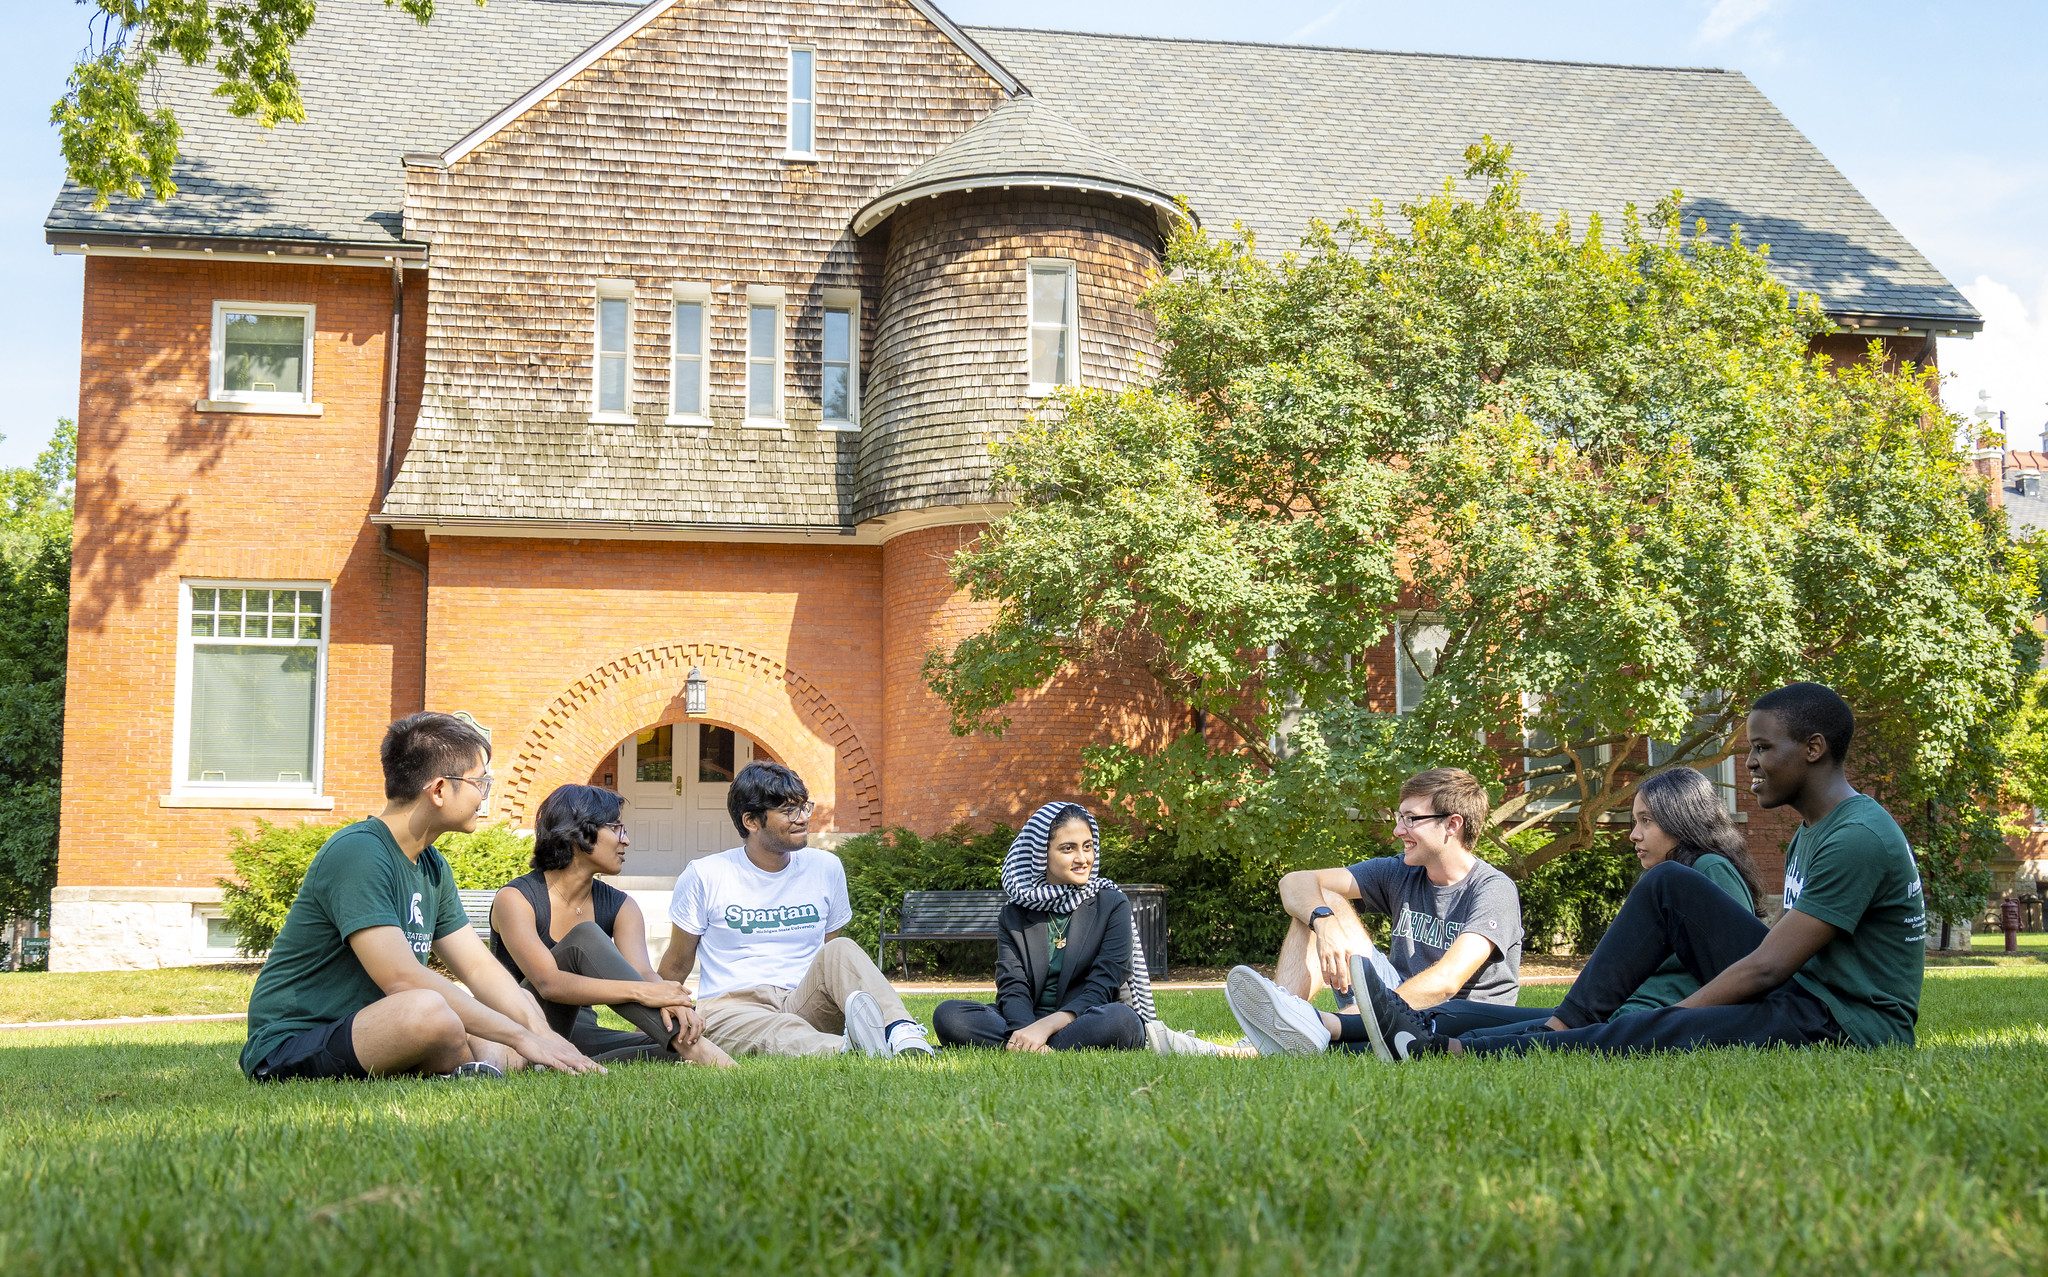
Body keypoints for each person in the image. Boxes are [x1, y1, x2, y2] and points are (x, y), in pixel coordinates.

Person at [1350, 682, 1927, 1061]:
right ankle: (1529, 1031)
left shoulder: (1856, 836)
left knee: (1653, 1030)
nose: (1748, 762)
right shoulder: (1814, 830)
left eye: (1762, 748)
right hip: (1805, 995)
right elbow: (1772, 956)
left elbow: (1769, 965)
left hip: (1846, 1026)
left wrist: (1678, 1013)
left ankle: (1444, 1050)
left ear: (1814, 749)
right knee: (1668, 886)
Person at [240, 712, 602, 1081]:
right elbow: (402, 978)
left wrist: (540, 1033)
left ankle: (475, 1069)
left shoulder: (432, 865)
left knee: (518, 1003)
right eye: (481, 782)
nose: (483, 795)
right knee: (429, 1010)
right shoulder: (359, 852)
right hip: (295, 1043)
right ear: (441, 789)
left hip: (378, 1027)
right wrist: (521, 1038)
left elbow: (478, 967)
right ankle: (469, 1062)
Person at [1457, 765, 1765, 1046]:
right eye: (1635, 821)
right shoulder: (1669, 880)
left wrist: (1671, 1018)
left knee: (1479, 1041)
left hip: (1637, 1021)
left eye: (1647, 821)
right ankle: (1421, 1023)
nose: (1634, 834)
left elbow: (1737, 967)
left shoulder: (1710, 868)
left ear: (1682, 820)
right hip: (1617, 1012)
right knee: (1456, 1018)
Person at [1224, 767, 1523, 1056]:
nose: (1397, 830)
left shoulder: (1493, 889)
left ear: (1452, 824)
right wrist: (1324, 924)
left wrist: (1352, 1016)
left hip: (1456, 1019)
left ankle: (1297, 1030)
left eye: (1411, 819)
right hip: (1393, 1000)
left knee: (1322, 904)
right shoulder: (1400, 872)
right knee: (1321, 899)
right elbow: (1294, 882)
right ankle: (1279, 1025)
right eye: (1399, 817)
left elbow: (1446, 981)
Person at [657, 761, 935, 1058]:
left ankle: (901, 1032)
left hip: (804, 999)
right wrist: (653, 1014)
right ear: (751, 821)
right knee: (775, 1030)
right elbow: (676, 964)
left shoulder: (825, 867)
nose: (802, 818)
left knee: (841, 948)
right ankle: (849, 1050)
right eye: (789, 811)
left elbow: (830, 955)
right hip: (734, 1008)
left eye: (804, 807)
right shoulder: (705, 874)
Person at [933, 801, 1241, 1055]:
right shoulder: (1015, 913)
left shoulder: (1111, 903)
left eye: (1088, 846)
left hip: (1084, 1018)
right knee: (949, 1015)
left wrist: (1045, 1028)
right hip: (1025, 1020)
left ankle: (1028, 1046)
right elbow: (1012, 986)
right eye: (1068, 849)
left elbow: (1104, 984)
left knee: (1122, 1022)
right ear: (1042, 854)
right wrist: (1025, 1029)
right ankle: (1034, 1047)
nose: (1083, 859)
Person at [489, 784, 733, 1067]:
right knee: (585, 937)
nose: (626, 840)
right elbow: (549, 984)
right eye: (616, 828)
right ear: (579, 833)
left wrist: (670, 997)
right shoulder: (517, 899)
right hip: (524, 1026)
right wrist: (642, 992)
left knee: (670, 1045)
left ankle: (567, 1063)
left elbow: (641, 971)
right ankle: (703, 1055)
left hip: (583, 1032)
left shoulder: (621, 905)